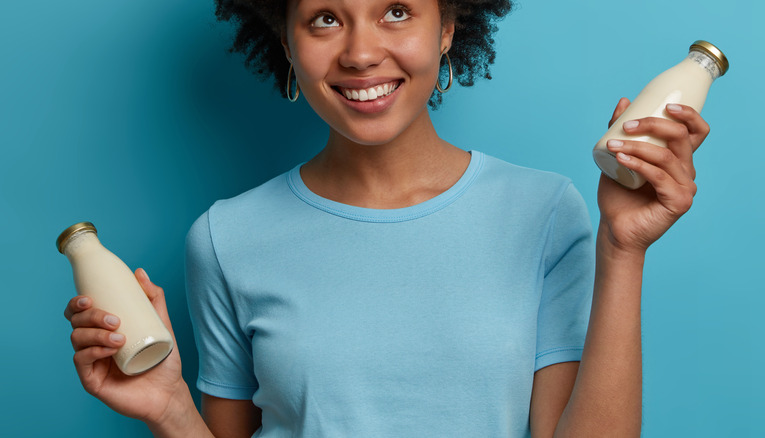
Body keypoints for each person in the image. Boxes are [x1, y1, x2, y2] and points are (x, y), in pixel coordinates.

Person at [63, 0, 707, 436]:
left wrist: (623, 250)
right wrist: (171, 411)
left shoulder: (543, 212)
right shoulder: (224, 238)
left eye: (396, 10)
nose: (361, 53)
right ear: (285, 40)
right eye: (323, 19)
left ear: (447, 26)